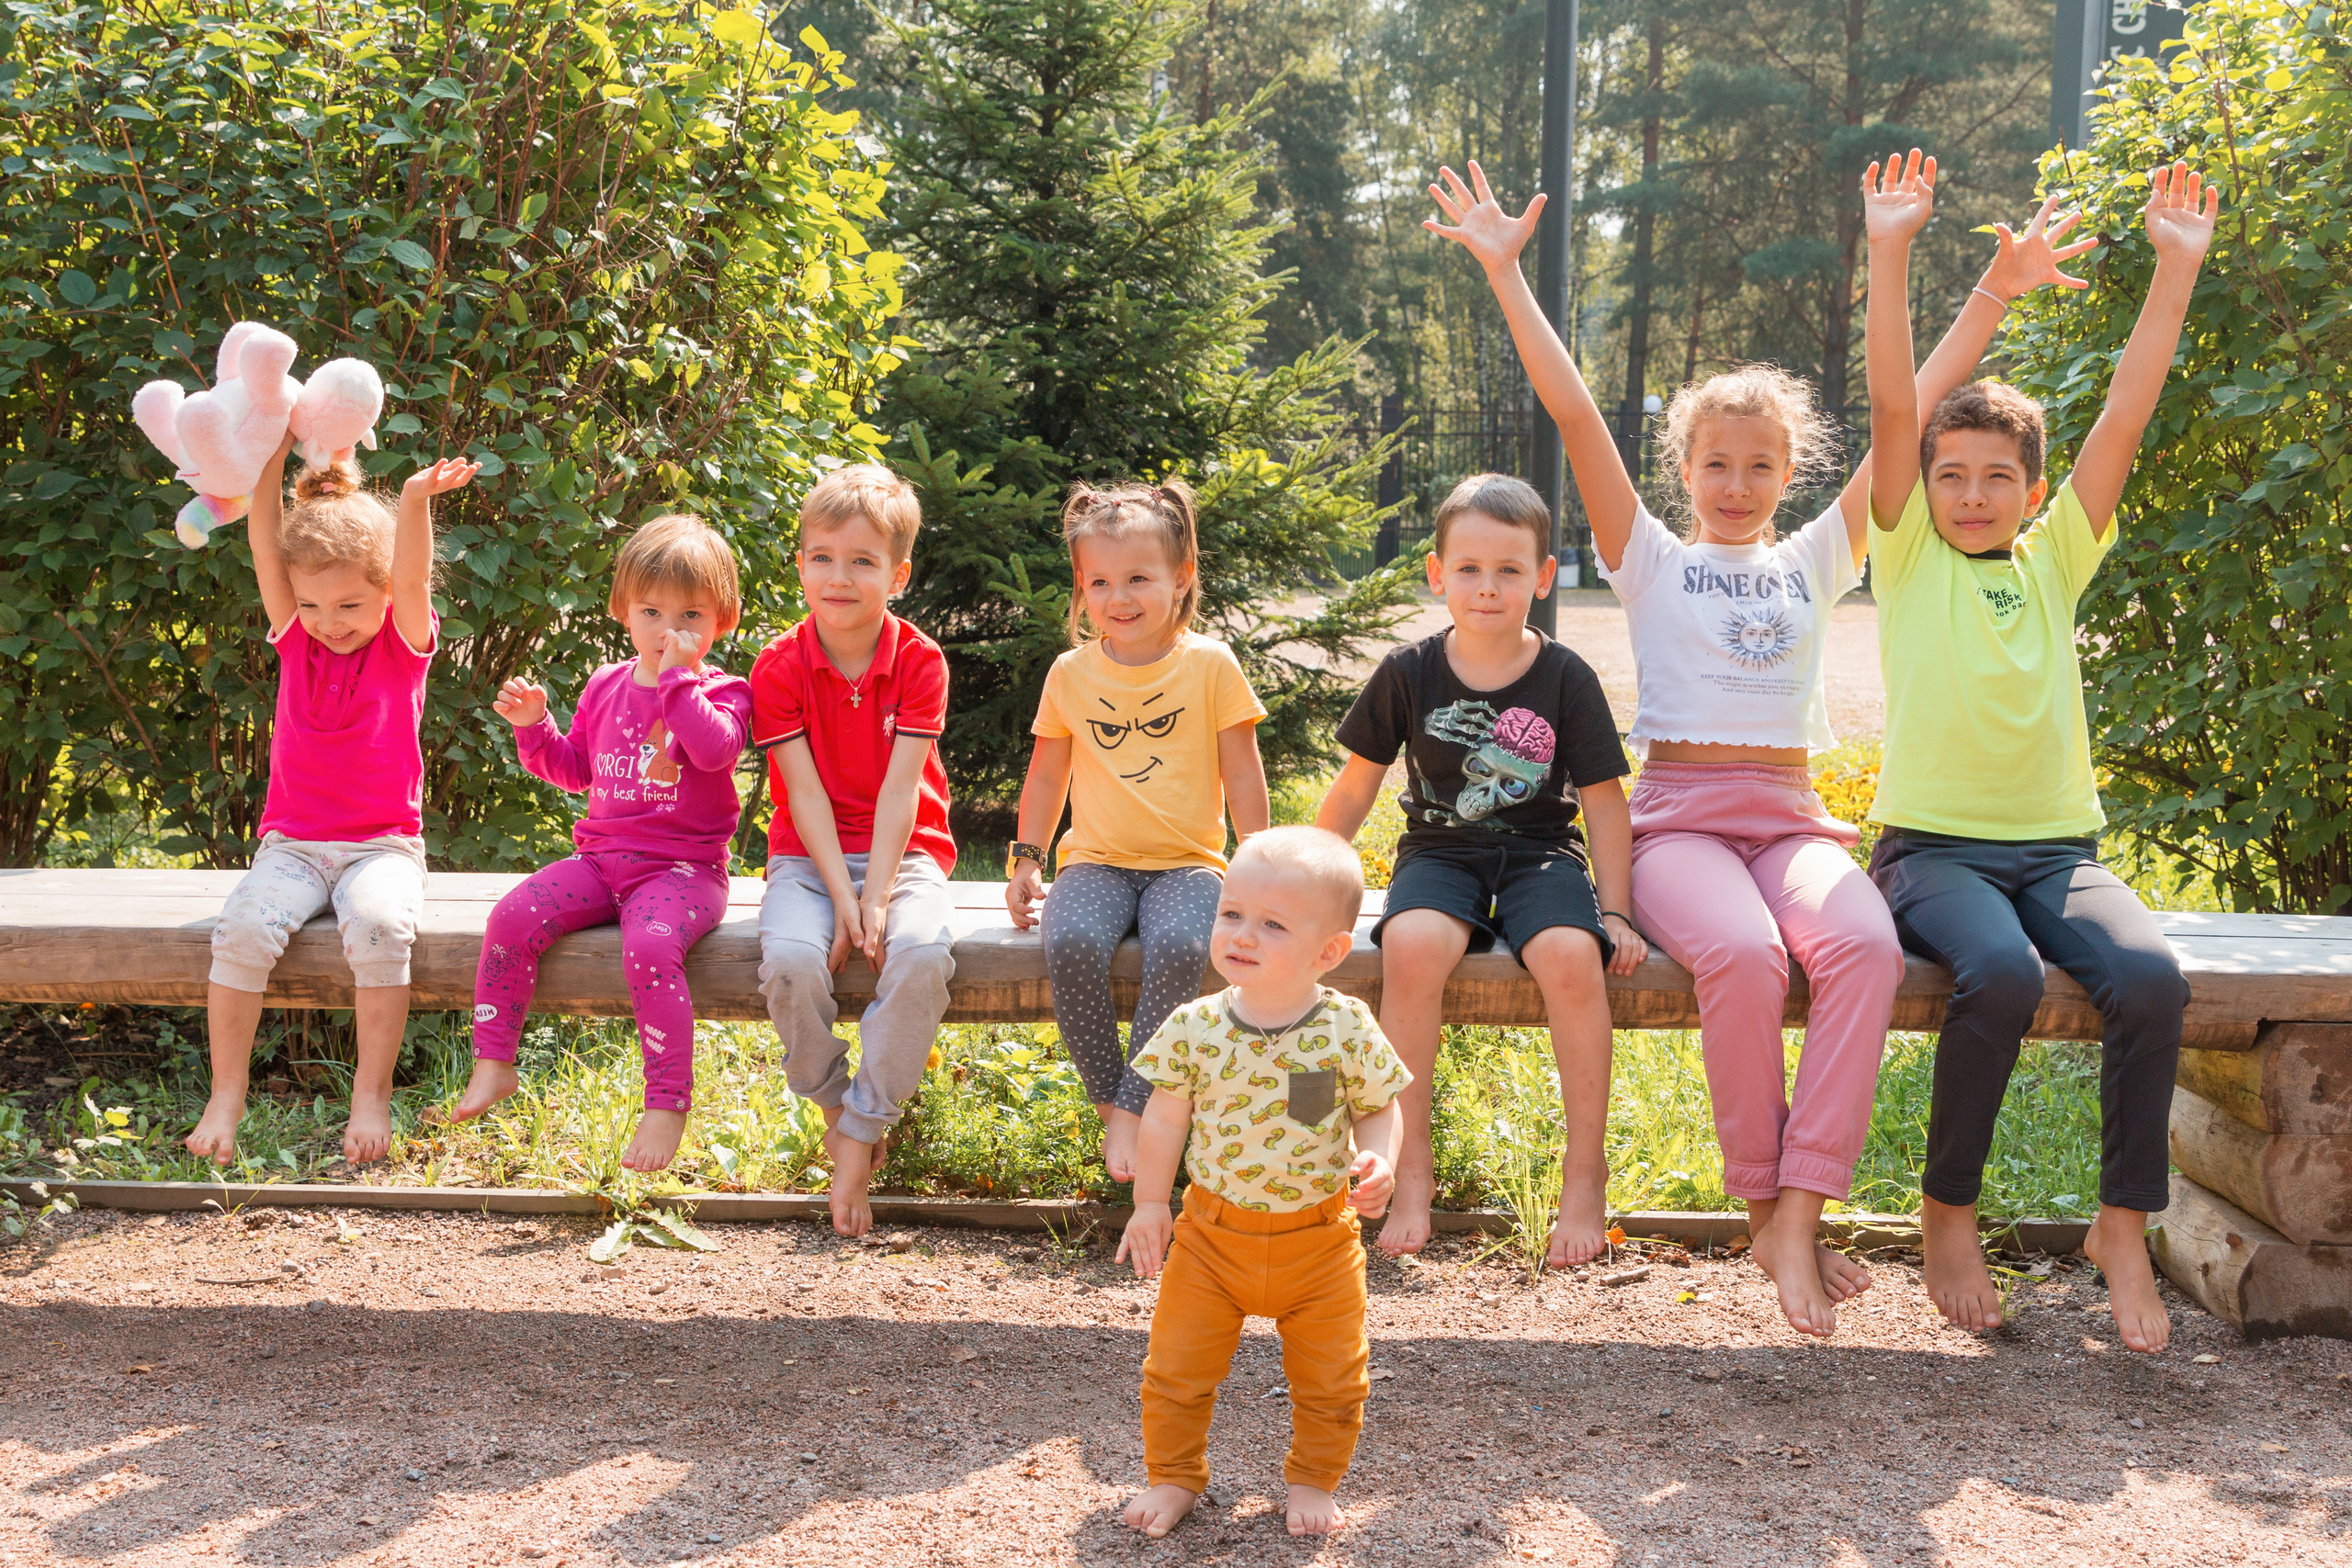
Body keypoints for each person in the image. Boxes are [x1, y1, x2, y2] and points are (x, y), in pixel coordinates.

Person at [1425, 156, 2104, 1335]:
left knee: (1863, 951)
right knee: (1740, 959)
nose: (1734, 485)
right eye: (1714, 464)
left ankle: (1801, 1208)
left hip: (1792, 821)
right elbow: (1576, 412)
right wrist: (1504, 274)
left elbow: (1906, 410)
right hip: (1679, 822)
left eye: (1758, 466)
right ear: (1682, 471)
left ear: (1791, 474)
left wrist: (1992, 292)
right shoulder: (1648, 556)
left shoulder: (1820, 554)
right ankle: (1757, 1205)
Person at [1868, 162, 2222, 1356]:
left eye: (1996, 478)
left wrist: (2175, 269)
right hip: (1933, 854)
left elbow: (2125, 411)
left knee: (2152, 981)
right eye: (1951, 476)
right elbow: (1893, 407)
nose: (1971, 495)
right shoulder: (1907, 555)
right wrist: (1897, 253)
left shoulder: (2056, 555)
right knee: (2003, 979)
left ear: (2031, 492)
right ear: (1924, 488)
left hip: (2058, 854)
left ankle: (2122, 1223)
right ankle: (1947, 1210)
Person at [1316, 471, 1645, 1269]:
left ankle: (1584, 1172)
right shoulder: (1408, 671)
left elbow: (1604, 804)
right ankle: (1410, 1164)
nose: (1487, 586)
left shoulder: (1566, 677)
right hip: (1439, 851)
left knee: (1572, 954)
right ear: (1438, 574)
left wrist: (1617, 912)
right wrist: (1302, 888)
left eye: (1508, 569)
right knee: (1413, 945)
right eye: (1468, 568)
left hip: (1541, 854)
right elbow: (1356, 788)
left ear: (1543, 576)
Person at [187, 432, 477, 1168]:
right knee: (240, 929)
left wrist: (413, 500)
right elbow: (264, 546)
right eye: (312, 603)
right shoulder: (296, 641)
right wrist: (270, 451)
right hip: (292, 846)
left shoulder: (402, 647)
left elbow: (412, 575)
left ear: (384, 594)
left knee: (379, 929)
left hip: (381, 847)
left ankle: (370, 1094)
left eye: (349, 602)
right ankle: (226, 1094)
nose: (329, 620)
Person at [1115, 826, 1408, 1540]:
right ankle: (1174, 1474)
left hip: (1319, 1242)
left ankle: (1313, 1477)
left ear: (1328, 952)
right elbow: (1164, 1120)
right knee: (1175, 1369)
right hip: (1211, 1239)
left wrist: (1380, 1159)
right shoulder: (1195, 1026)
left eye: (1273, 924)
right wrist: (1150, 1203)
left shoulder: (1344, 1026)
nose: (1243, 934)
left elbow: (1379, 1107)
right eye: (1232, 913)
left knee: (1334, 1377)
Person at [449, 514, 753, 1172]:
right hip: (599, 863)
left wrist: (677, 679)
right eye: (652, 612)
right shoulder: (605, 685)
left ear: (722, 619)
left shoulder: (723, 691)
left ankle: (667, 1101)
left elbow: (713, 750)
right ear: (623, 609)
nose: (669, 631)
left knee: (650, 945)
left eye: (691, 615)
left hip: (683, 871)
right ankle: (495, 1061)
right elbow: (576, 769)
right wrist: (534, 726)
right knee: (512, 916)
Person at [1007, 480, 1271, 1182]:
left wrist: (1260, 864)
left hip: (1189, 864)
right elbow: (1046, 776)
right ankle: (1113, 1105)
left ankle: (1139, 1105)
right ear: (1081, 586)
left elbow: (1243, 772)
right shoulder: (1071, 674)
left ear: (1181, 578)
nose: (1118, 597)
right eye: (1099, 581)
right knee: (1071, 941)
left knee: (1183, 946)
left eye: (1138, 579)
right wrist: (1027, 859)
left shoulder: (1211, 665)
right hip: (1095, 863)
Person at [751, 465, 957, 1237]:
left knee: (922, 957)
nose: (839, 577)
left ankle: (865, 1127)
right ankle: (837, 1106)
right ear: (801, 563)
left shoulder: (920, 660)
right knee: (791, 963)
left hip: (907, 853)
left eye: (863, 561)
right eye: (823, 557)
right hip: (808, 859)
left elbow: (903, 791)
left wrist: (874, 899)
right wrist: (843, 897)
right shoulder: (778, 665)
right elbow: (802, 796)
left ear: (897, 575)